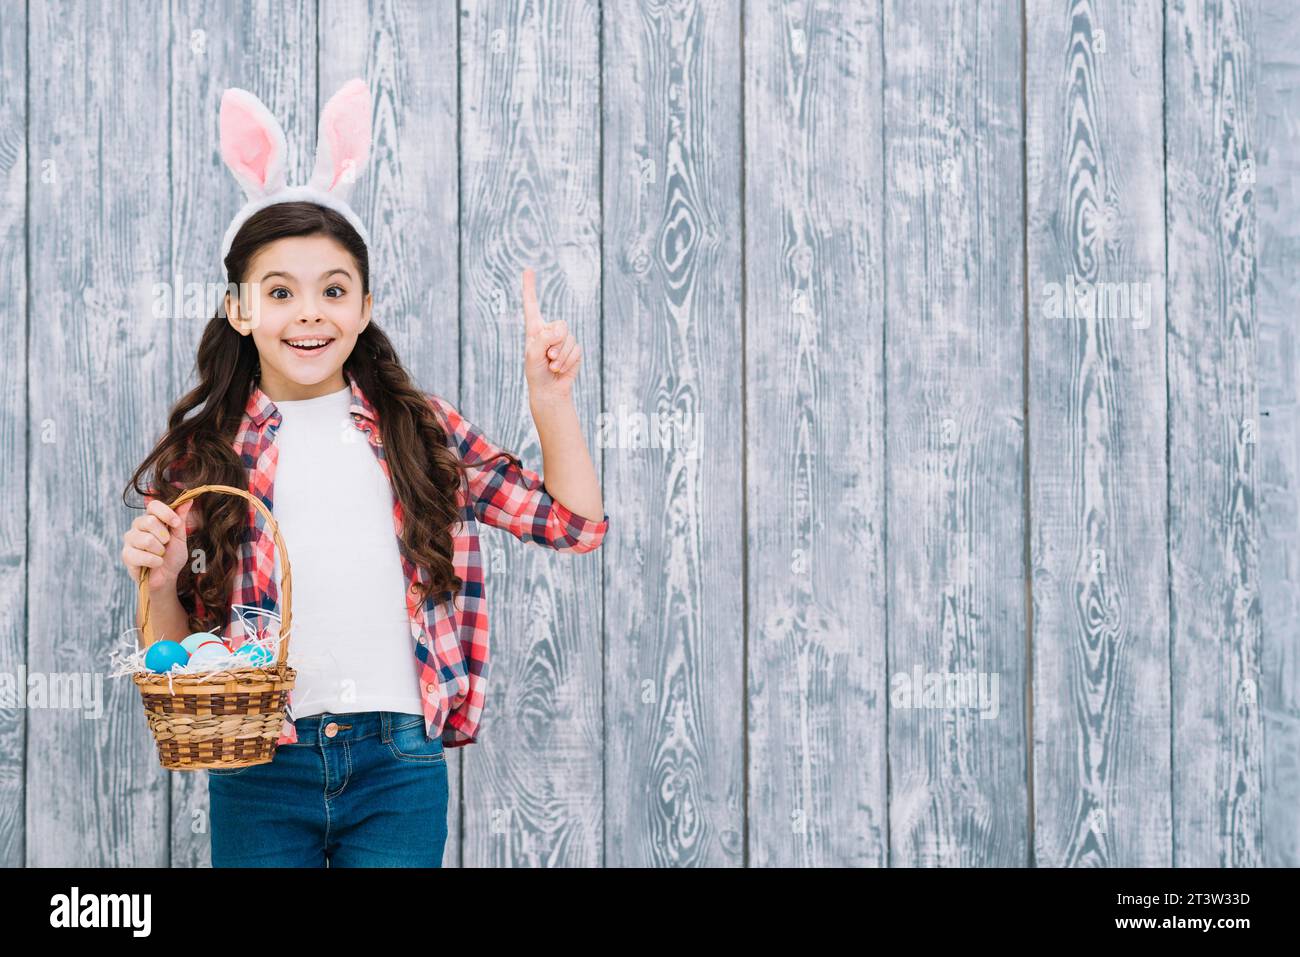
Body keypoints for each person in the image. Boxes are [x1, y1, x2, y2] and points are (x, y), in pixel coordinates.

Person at [118, 80, 608, 867]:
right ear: (239, 309)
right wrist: (162, 580)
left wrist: (550, 400)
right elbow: (172, 664)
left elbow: (574, 525)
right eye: (280, 292)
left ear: (366, 304)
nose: (310, 312)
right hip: (260, 766)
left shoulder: (422, 430)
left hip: (398, 763)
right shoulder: (203, 455)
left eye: (333, 290)